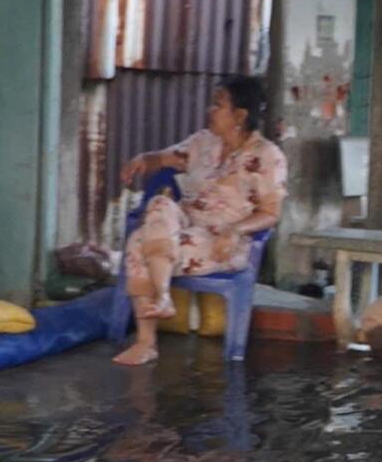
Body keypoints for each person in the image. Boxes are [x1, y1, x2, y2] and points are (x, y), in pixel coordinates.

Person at [113, 76, 286, 367]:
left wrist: (236, 229)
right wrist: (143, 159)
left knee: (137, 243)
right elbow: (164, 158)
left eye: (218, 104)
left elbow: (271, 212)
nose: (210, 110)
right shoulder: (203, 142)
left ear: (240, 116)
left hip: (224, 239)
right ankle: (163, 297)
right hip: (181, 225)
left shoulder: (267, 156)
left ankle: (146, 341)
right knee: (159, 204)